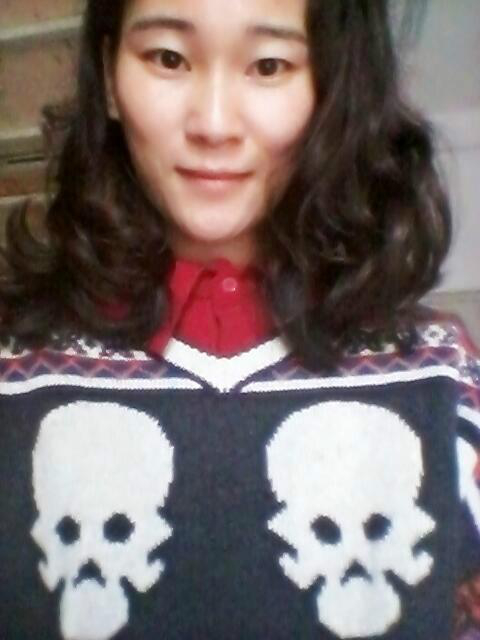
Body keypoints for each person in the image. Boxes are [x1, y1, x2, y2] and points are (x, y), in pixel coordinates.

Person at [0, 0, 479, 638]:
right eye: (168, 58)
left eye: (269, 65)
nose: (214, 123)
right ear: (111, 79)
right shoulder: (14, 371)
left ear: (333, 88)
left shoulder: (445, 376)